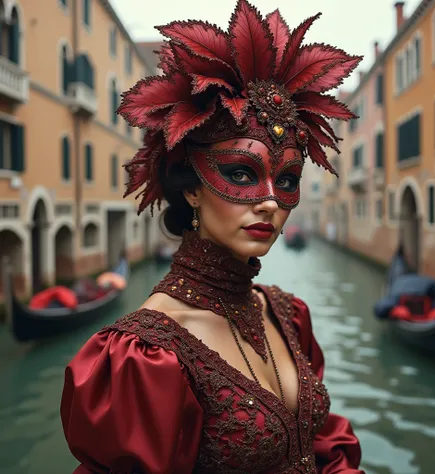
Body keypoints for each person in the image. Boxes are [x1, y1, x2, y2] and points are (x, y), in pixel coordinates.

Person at [60, 1, 365, 472]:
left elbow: (326, 444)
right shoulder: (145, 356)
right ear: (193, 188)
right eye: (241, 173)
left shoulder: (287, 315)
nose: (269, 201)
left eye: (286, 181)